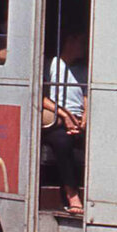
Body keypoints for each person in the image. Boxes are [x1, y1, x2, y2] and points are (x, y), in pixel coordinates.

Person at [42, 30, 87, 215]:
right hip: (57, 118)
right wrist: (65, 115)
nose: (85, 47)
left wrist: (84, 118)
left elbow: (86, 96)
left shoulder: (83, 69)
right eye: (81, 42)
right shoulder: (51, 64)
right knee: (62, 141)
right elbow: (41, 96)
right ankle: (72, 194)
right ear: (70, 40)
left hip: (77, 119)